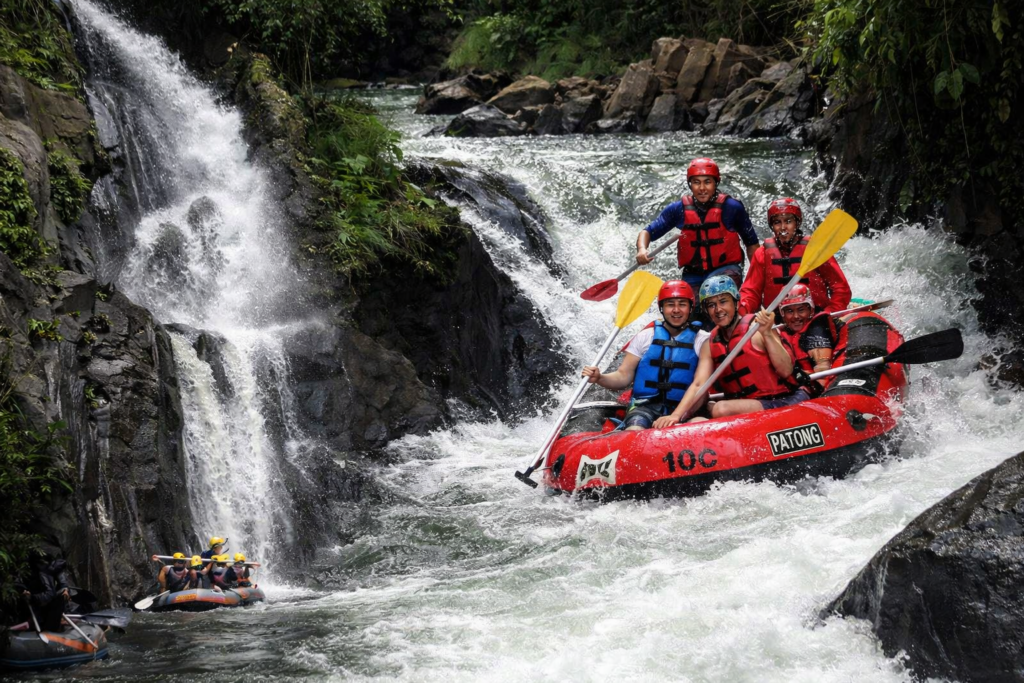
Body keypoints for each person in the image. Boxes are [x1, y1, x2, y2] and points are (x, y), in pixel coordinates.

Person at [653, 276, 803, 428]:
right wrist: (676, 416)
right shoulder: (709, 344)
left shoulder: (757, 328)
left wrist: (767, 334)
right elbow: (699, 384)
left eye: (723, 301)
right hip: (746, 408)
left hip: (781, 402)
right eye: (711, 305)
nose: (718, 310)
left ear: (736, 303)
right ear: (705, 310)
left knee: (720, 408)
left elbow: (786, 370)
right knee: (699, 417)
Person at [582, 280, 709, 429]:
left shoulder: (702, 339)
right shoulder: (646, 336)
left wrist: (676, 416)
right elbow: (623, 376)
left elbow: (700, 384)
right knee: (634, 430)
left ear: (690, 307)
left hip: (686, 408)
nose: (676, 310)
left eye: (682, 304)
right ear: (661, 308)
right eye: (670, 304)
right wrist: (600, 378)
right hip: (645, 407)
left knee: (701, 426)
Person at [635, 157, 760, 295]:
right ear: (690, 185)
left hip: (727, 270)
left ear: (715, 183)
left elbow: (752, 244)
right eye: (696, 182)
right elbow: (647, 232)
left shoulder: (732, 208)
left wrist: (756, 281)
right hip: (693, 274)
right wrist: (642, 249)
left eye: (707, 182)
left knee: (717, 296)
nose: (702, 188)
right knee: (688, 310)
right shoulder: (678, 210)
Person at [739, 198, 851, 315]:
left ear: (797, 223)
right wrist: (744, 310)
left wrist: (831, 312)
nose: (783, 227)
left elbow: (840, 289)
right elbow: (751, 291)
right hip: (777, 318)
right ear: (772, 226)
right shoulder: (762, 253)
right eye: (777, 222)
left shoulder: (816, 250)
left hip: (814, 316)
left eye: (788, 221)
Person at [777, 284, 837, 394]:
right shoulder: (780, 332)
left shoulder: (817, 329)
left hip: (814, 388)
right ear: (782, 314)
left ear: (811, 310)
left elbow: (823, 373)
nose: (796, 316)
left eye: (801, 310)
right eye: (789, 311)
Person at [20, 551, 71, 632]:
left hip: (48, 599)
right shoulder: (28, 570)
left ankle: (60, 622)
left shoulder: (54, 567)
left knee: (62, 595)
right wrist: (25, 593)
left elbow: (63, 583)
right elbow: (19, 584)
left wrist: (65, 590)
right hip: (35, 600)